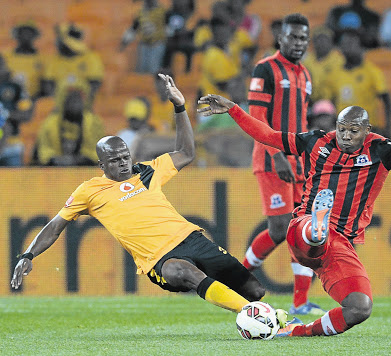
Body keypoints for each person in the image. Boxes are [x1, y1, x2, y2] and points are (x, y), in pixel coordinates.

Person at [197, 93, 391, 337]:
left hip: (340, 243)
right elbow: (268, 135)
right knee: (313, 231)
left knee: (360, 307)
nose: (345, 136)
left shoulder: (381, 150)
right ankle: (317, 227)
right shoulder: (317, 140)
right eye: (341, 129)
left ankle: (294, 332)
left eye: (353, 131)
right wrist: (235, 109)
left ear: (366, 131)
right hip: (302, 227)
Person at [11, 74, 273, 320]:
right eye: (115, 160)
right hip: (159, 259)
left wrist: (179, 107)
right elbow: (55, 225)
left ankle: (264, 313)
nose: (124, 163)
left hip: (192, 239)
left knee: (255, 291)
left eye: (125, 156)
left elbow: (186, 152)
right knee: (183, 272)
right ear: (102, 166)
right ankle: (254, 315)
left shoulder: (148, 170)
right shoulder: (89, 191)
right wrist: (27, 255)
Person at [241, 13, 323, 316]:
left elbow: (300, 121)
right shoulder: (265, 68)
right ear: (281, 38)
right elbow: (257, 120)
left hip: (299, 162)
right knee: (279, 228)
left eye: (304, 38)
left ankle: (300, 302)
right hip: (270, 158)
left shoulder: (305, 74)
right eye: (293, 37)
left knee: (302, 228)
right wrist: (277, 156)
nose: (298, 43)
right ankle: (236, 277)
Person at [320, 29, 391, 138]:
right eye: (344, 45)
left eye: (351, 44)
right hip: (342, 130)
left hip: (366, 129)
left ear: (361, 48)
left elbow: (386, 100)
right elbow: (329, 101)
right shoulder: (334, 73)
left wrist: (388, 127)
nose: (347, 48)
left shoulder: (372, 72)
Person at [33, 83, 105, 166]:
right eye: (71, 99)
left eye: (78, 99)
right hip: (55, 169)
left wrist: (79, 160)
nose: (75, 104)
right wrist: (55, 159)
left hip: (86, 169)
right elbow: (44, 150)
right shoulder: (50, 123)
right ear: (63, 101)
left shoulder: (93, 122)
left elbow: (97, 152)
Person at [42, 23, 104, 106]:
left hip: (83, 102)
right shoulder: (54, 60)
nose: (57, 43)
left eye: (60, 41)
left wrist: (78, 98)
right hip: (60, 104)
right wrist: (61, 99)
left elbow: (95, 83)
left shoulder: (90, 58)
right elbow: (48, 83)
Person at [0, 54, 34, 166]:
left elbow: (26, 114)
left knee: (13, 182)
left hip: (11, 146)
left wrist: (5, 115)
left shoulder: (16, 87)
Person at [120, 0, 168, 74]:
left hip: (157, 44)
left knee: (154, 68)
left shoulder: (162, 12)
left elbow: (169, 26)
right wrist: (124, 42)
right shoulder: (141, 13)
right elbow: (134, 28)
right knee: (142, 69)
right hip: (144, 45)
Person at [3, 21, 45, 99]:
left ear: (34, 36)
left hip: (33, 101)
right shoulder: (5, 57)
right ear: (16, 35)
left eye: (29, 33)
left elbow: (45, 85)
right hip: (9, 99)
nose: (26, 36)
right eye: (22, 33)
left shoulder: (43, 59)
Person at [302, 26, 344, 103]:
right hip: (311, 101)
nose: (322, 42)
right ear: (313, 42)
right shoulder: (307, 61)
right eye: (318, 39)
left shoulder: (339, 60)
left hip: (333, 101)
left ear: (331, 42)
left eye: (325, 39)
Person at [162, 0, 196, 73]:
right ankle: (166, 71)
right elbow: (168, 29)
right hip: (174, 41)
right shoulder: (169, 14)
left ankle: (188, 73)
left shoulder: (193, 14)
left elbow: (195, 30)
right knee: (167, 48)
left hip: (188, 42)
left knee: (191, 49)